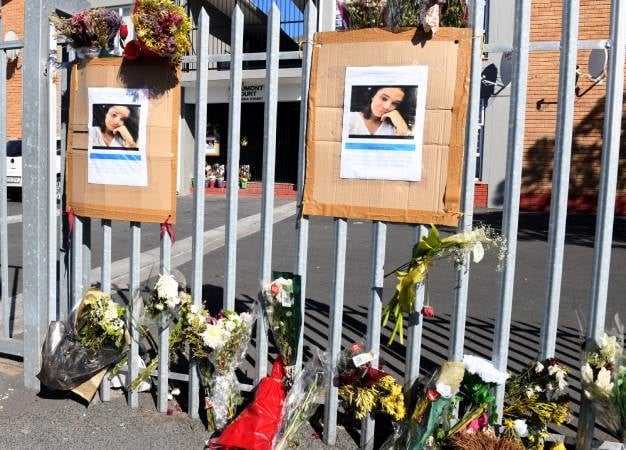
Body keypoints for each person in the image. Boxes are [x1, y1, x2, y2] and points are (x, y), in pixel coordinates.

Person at [348, 86, 416, 137]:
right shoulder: (350, 119)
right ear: (373, 95)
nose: (386, 107)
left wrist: (402, 128)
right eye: (384, 98)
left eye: (395, 103)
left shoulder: (394, 127)